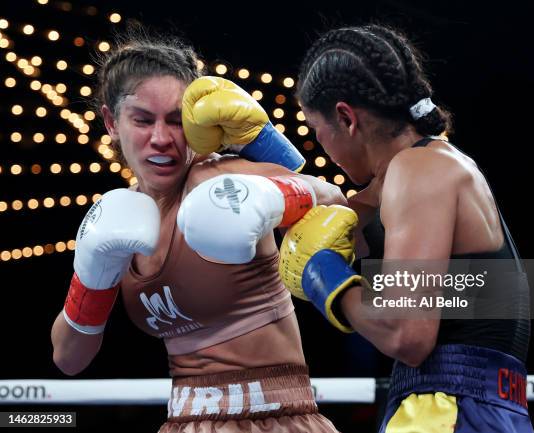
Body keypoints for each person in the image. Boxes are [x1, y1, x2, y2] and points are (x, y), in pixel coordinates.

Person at [50, 27, 343, 433]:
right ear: (111, 122)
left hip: (276, 418)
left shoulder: (219, 181)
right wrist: (91, 278)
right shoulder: (116, 219)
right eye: (142, 120)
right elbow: (69, 358)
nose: (161, 138)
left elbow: (333, 196)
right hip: (184, 422)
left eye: (175, 120)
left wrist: (270, 195)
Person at [279, 24, 534, 432]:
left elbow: (407, 336)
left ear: (345, 118)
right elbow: (331, 208)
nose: (320, 144)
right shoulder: (416, 173)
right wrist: (257, 146)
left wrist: (326, 278)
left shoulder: (419, 170)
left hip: (447, 407)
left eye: (315, 130)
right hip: (460, 404)